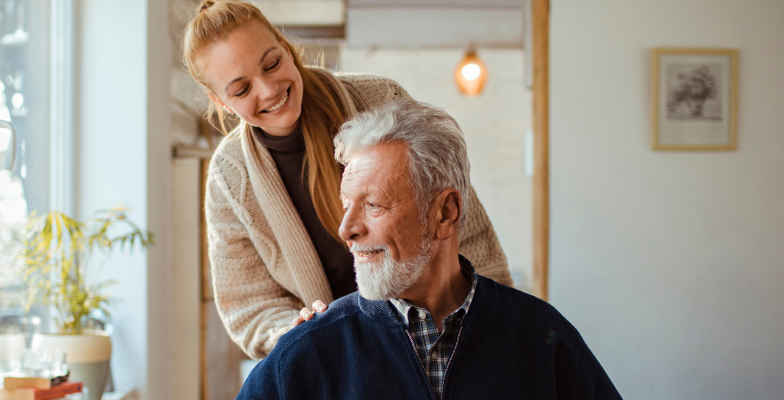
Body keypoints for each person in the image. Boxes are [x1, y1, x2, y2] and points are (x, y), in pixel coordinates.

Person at [183, 0, 513, 359]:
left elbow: (463, 227)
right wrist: (293, 328)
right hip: (337, 360)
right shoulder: (228, 177)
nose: (268, 90)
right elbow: (249, 307)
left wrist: (497, 322)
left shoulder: (381, 100)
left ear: (286, 45)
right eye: (242, 90)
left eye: (272, 63)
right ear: (221, 101)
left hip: (439, 335)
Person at [236, 99, 621, 400]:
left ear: (445, 213)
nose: (346, 229)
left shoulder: (543, 337)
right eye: (346, 205)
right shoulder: (306, 354)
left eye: (373, 205)